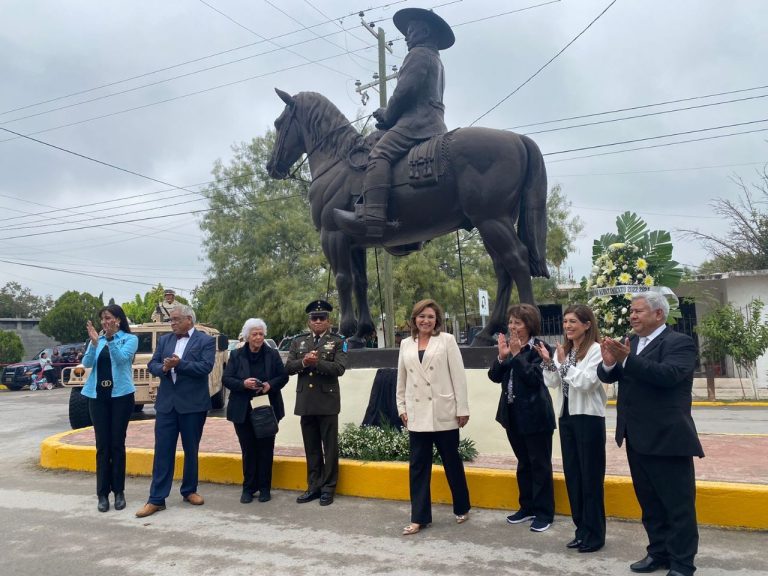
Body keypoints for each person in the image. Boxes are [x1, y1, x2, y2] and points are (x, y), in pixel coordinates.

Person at [598, 292, 703, 576]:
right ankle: (658, 552)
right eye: (631, 311)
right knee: (650, 502)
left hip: (668, 438)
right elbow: (609, 375)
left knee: (677, 505)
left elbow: (667, 375)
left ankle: (682, 562)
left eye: (638, 311)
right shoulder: (631, 344)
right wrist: (609, 361)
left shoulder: (679, 342)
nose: (632, 316)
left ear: (658, 314)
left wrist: (627, 359)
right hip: (637, 436)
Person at [334, 7, 455, 239]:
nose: (406, 36)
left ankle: (373, 217)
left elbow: (405, 91)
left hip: (417, 124)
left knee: (378, 154)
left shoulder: (418, 54)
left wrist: (388, 114)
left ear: (425, 31)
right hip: (433, 121)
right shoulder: (436, 60)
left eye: (411, 31)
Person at [396, 298, 470, 535]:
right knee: (418, 467)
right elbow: (402, 380)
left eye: (430, 316)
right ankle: (419, 517)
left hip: (443, 411)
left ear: (437, 319)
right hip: (417, 414)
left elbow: (458, 376)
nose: (426, 320)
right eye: (421, 316)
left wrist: (462, 408)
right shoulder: (406, 344)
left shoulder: (446, 341)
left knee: (451, 462)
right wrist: (401, 407)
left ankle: (462, 506)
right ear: (414, 319)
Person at [537, 305, 607, 552]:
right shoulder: (565, 350)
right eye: (565, 321)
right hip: (566, 417)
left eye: (573, 321)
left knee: (590, 478)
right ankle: (581, 530)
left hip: (588, 418)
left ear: (587, 325)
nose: (567, 326)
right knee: (574, 477)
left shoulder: (596, 350)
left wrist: (564, 365)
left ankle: (595, 534)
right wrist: (549, 363)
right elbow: (554, 382)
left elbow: (587, 383)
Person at [135, 305, 215, 518]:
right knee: (162, 451)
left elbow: (205, 367)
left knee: (191, 449)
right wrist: (163, 368)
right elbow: (152, 364)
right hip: (166, 405)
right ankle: (156, 499)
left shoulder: (205, 340)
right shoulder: (165, 340)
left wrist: (179, 365)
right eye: (171, 320)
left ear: (189, 320)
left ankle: (189, 490)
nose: (172, 323)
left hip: (193, 405)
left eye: (176, 319)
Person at [487, 303, 556, 533]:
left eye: (518, 322)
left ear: (529, 324)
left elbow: (534, 379)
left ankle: (544, 513)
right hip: (513, 417)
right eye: (511, 322)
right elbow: (494, 377)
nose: (512, 326)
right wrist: (502, 356)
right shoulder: (509, 346)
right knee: (523, 464)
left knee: (540, 465)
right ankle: (526, 507)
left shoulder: (540, 348)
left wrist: (517, 355)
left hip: (536, 417)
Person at [285, 300, 348, 507]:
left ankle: (328, 488)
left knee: (329, 447)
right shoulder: (298, 341)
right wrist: (304, 362)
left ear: (329, 321)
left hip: (327, 401)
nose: (318, 321)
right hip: (306, 401)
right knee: (311, 447)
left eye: (322, 318)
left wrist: (317, 362)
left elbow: (339, 368)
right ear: (309, 321)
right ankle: (313, 486)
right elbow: (288, 367)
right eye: (314, 318)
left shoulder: (337, 341)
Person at [222, 318, 288, 503]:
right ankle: (248, 488)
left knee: (266, 449)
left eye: (261, 334)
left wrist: (269, 385)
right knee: (248, 449)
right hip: (242, 410)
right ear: (247, 336)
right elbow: (227, 379)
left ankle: (265, 488)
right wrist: (243, 384)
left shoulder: (273, 354)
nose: (258, 337)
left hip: (266, 407)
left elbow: (283, 377)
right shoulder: (236, 355)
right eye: (254, 334)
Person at [81, 305, 138, 512]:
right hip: (98, 397)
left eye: (108, 318)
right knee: (102, 446)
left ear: (119, 320)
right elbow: (86, 363)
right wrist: (95, 344)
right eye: (102, 319)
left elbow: (122, 360)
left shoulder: (129, 339)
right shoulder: (97, 340)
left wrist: (111, 340)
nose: (105, 322)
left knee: (117, 445)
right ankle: (102, 494)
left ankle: (119, 492)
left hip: (121, 397)